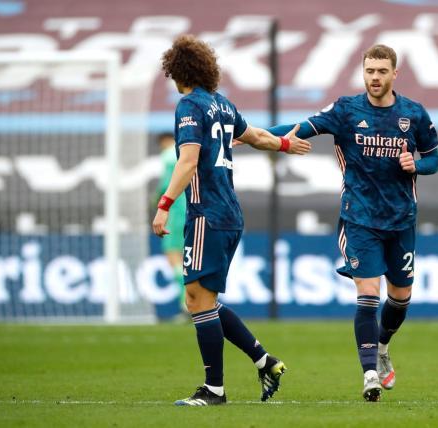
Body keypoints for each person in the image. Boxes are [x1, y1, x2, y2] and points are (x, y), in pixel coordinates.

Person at [268, 44, 438, 402]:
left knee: (400, 297)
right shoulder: (346, 110)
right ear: (363, 72)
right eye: (369, 71)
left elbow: (434, 158)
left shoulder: (414, 114)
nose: (375, 77)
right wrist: (250, 134)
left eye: (381, 71)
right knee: (368, 293)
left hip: (402, 220)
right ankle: (369, 374)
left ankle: (382, 346)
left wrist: (417, 165)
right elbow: (299, 128)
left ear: (395, 74)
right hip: (359, 219)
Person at [152, 34, 312, 406]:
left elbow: (188, 161)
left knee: (198, 299)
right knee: (201, 299)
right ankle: (265, 361)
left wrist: (164, 204)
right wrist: (284, 144)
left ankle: (214, 390)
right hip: (228, 213)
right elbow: (254, 135)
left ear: (177, 71)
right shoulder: (222, 104)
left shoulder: (189, 105)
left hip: (207, 212)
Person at [154, 132, 187, 314]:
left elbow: (165, 186)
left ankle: (186, 303)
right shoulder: (189, 152)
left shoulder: (168, 156)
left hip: (174, 213)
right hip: (193, 211)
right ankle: (196, 303)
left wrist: (156, 202)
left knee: (174, 256)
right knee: (191, 260)